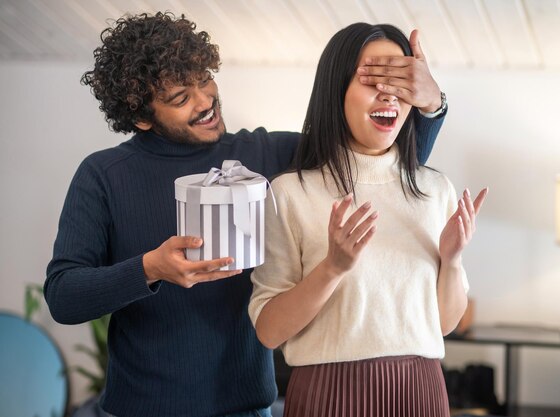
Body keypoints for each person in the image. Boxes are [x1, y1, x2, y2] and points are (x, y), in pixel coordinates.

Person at [44, 12, 447, 417]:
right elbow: (64, 296)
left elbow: (383, 167)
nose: (204, 102)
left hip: (247, 408)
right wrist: (150, 268)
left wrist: (432, 105)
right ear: (141, 116)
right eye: (181, 98)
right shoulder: (103, 176)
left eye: (204, 79)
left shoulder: (267, 155)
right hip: (141, 409)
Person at [248, 22, 488, 417]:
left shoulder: (435, 190)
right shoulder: (291, 193)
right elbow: (270, 331)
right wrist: (332, 268)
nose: (388, 94)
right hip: (327, 394)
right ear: (335, 90)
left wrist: (452, 259)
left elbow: (445, 325)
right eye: (372, 78)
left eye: (399, 80)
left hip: (421, 392)